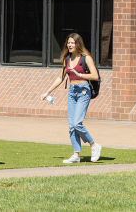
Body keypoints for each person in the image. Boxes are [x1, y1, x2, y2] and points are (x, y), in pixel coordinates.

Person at [40, 32, 102, 163]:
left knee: (77, 123)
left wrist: (80, 75)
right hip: (72, 91)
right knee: (71, 125)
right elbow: (60, 77)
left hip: (83, 91)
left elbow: (95, 76)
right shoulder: (67, 59)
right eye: (68, 43)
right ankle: (76, 155)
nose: (69, 45)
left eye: (72, 43)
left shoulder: (86, 58)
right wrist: (47, 92)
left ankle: (94, 145)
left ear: (78, 44)